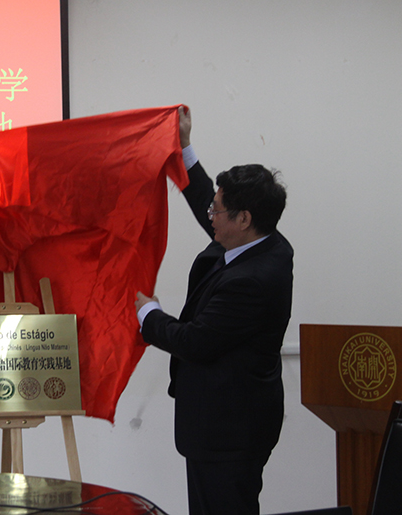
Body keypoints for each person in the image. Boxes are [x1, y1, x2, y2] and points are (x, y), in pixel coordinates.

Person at [135, 107, 293, 515]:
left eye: (217, 211)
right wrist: (184, 147)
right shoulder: (264, 241)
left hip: (229, 433)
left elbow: (196, 341)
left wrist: (148, 313)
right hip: (231, 425)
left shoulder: (253, 279)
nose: (211, 215)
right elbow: (209, 201)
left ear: (244, 219)